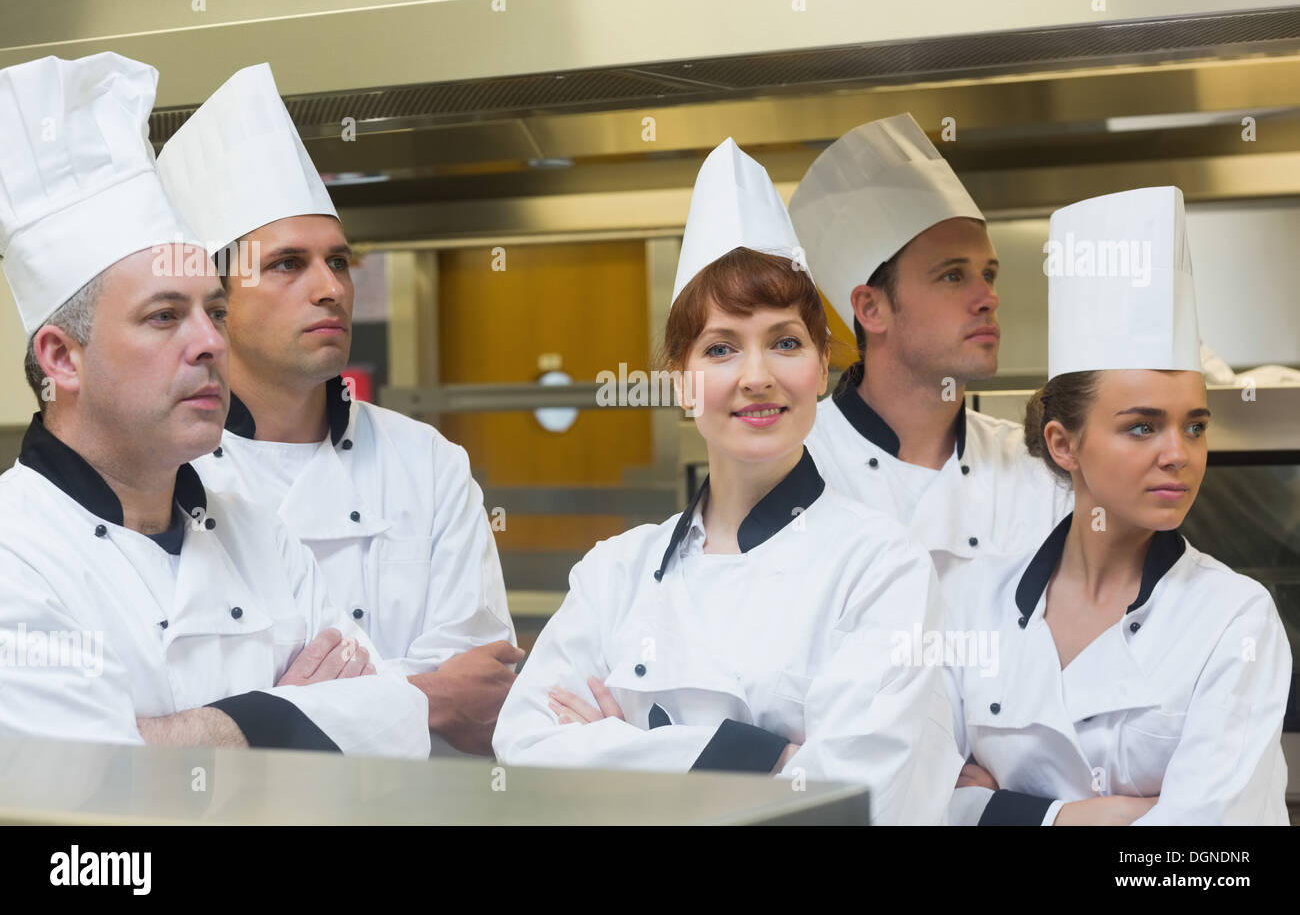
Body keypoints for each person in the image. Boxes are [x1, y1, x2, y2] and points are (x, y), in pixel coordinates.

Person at [492, 139, 962, 824]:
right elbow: (525, 750)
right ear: (683, 383)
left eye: (785, 341)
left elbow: (858, 804)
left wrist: (617, 744)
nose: (756, 376)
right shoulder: (615, 572)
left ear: (824, 361)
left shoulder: (882, 570)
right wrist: (767, 758)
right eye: (720, 348)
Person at [0, 52, 429, 758]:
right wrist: (283, 715)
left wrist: (170, 739)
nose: (209, 343)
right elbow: (81, 785)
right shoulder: (19, 553)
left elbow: (397, 726)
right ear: (61, 359)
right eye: (165, 316)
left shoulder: (259, 536)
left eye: (216, 310)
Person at [156, 64, 521, 755]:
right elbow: (180, 714)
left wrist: (293, 711)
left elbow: (479, 695)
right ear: (215, 297)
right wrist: (419, 697)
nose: (331, 288)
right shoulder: (168, 477)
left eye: (340, 262)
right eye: (289, 264)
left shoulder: (428, 463)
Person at [943, 186, 1291, 825]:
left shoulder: (1234, 619)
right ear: (1063, 443)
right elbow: (916, 804)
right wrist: (1104, 816)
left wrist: (1002, 811)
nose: (1178, 454)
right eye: (1141, 426)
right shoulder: (971, 605)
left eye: (1194, 425)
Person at [790, 114, 1072, 581]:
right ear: (872, 309)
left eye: (989, 274)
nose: (988, 298)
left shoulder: (1038, 471)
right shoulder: (797, 465)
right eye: (953, 275)